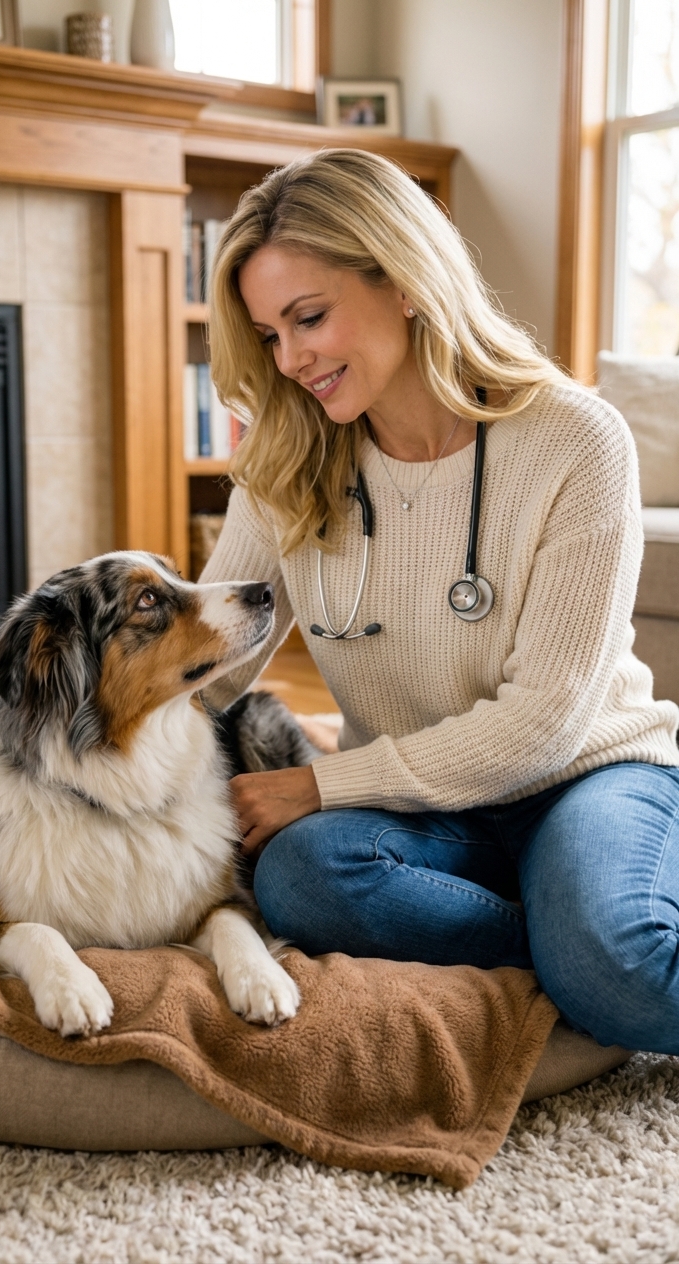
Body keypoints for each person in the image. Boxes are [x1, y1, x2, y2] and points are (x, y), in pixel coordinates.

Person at [200, 148, 679, 1054]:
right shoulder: (282, 459)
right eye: (269, 335)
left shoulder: (577, 440)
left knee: (617, 965)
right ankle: (565, 939)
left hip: (586, 776)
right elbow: (211, 670)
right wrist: (45, 754)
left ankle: (595, 940)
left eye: (308, 318)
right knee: (300, 877)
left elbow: (542, 723)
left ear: (407, 281)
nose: (291, 359)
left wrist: (319, 782)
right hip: (425, 810)